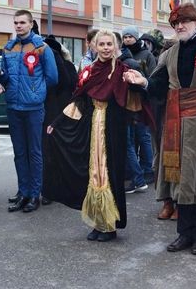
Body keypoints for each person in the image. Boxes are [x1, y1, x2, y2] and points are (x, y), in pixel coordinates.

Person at [124, 3, 196, 255]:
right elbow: (157, 86)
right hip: (176, 123)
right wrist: (140, 81)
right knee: (181, 179)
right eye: (175, 23)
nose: (179, 26)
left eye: (184, 22)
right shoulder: (170, 54)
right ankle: (184, 233)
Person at [45, 30, 145, 242]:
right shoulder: (89, 71)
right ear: (94, 46)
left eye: (110, 44)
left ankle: (110, 225)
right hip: (92, 128)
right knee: (94, 173)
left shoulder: (123, 70)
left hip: (113, 130)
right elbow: (79, 100)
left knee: (109, 174)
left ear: (116, 46)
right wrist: (57, 123)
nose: (106, 48)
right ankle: (98, 222)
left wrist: (136, 84)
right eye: (102, 44)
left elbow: (134, 102)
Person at [0, 10, 58, 213]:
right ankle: (23, 192)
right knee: (19, 152)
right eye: (15, 22)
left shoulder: (42, 47)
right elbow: (6, 76)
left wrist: (36, 91)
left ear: (31, 24)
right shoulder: (8, 47)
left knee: (34, 152)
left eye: (22, 22)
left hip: (33, 107)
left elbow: (52, 78)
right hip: (13, 106)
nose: (18, 26)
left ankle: (35, 194)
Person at [41, 35, 77, 203]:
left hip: (52, 111)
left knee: (49, 151)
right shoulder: (67, 63)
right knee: (61, 150)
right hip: (64, 113)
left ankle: (50, 190)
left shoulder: (51, 61)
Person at [122, 26, 156, 188]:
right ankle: (134, 170)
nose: (127, 39)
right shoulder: (122, 55)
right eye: (125, 36)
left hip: (143, 99)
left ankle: (147, 169)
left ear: (136, 38)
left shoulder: (146, 55)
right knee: (132, 138)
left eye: (130, 36)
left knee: (144, 136)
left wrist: (142, 83)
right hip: (128, 101)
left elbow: (152, 76)